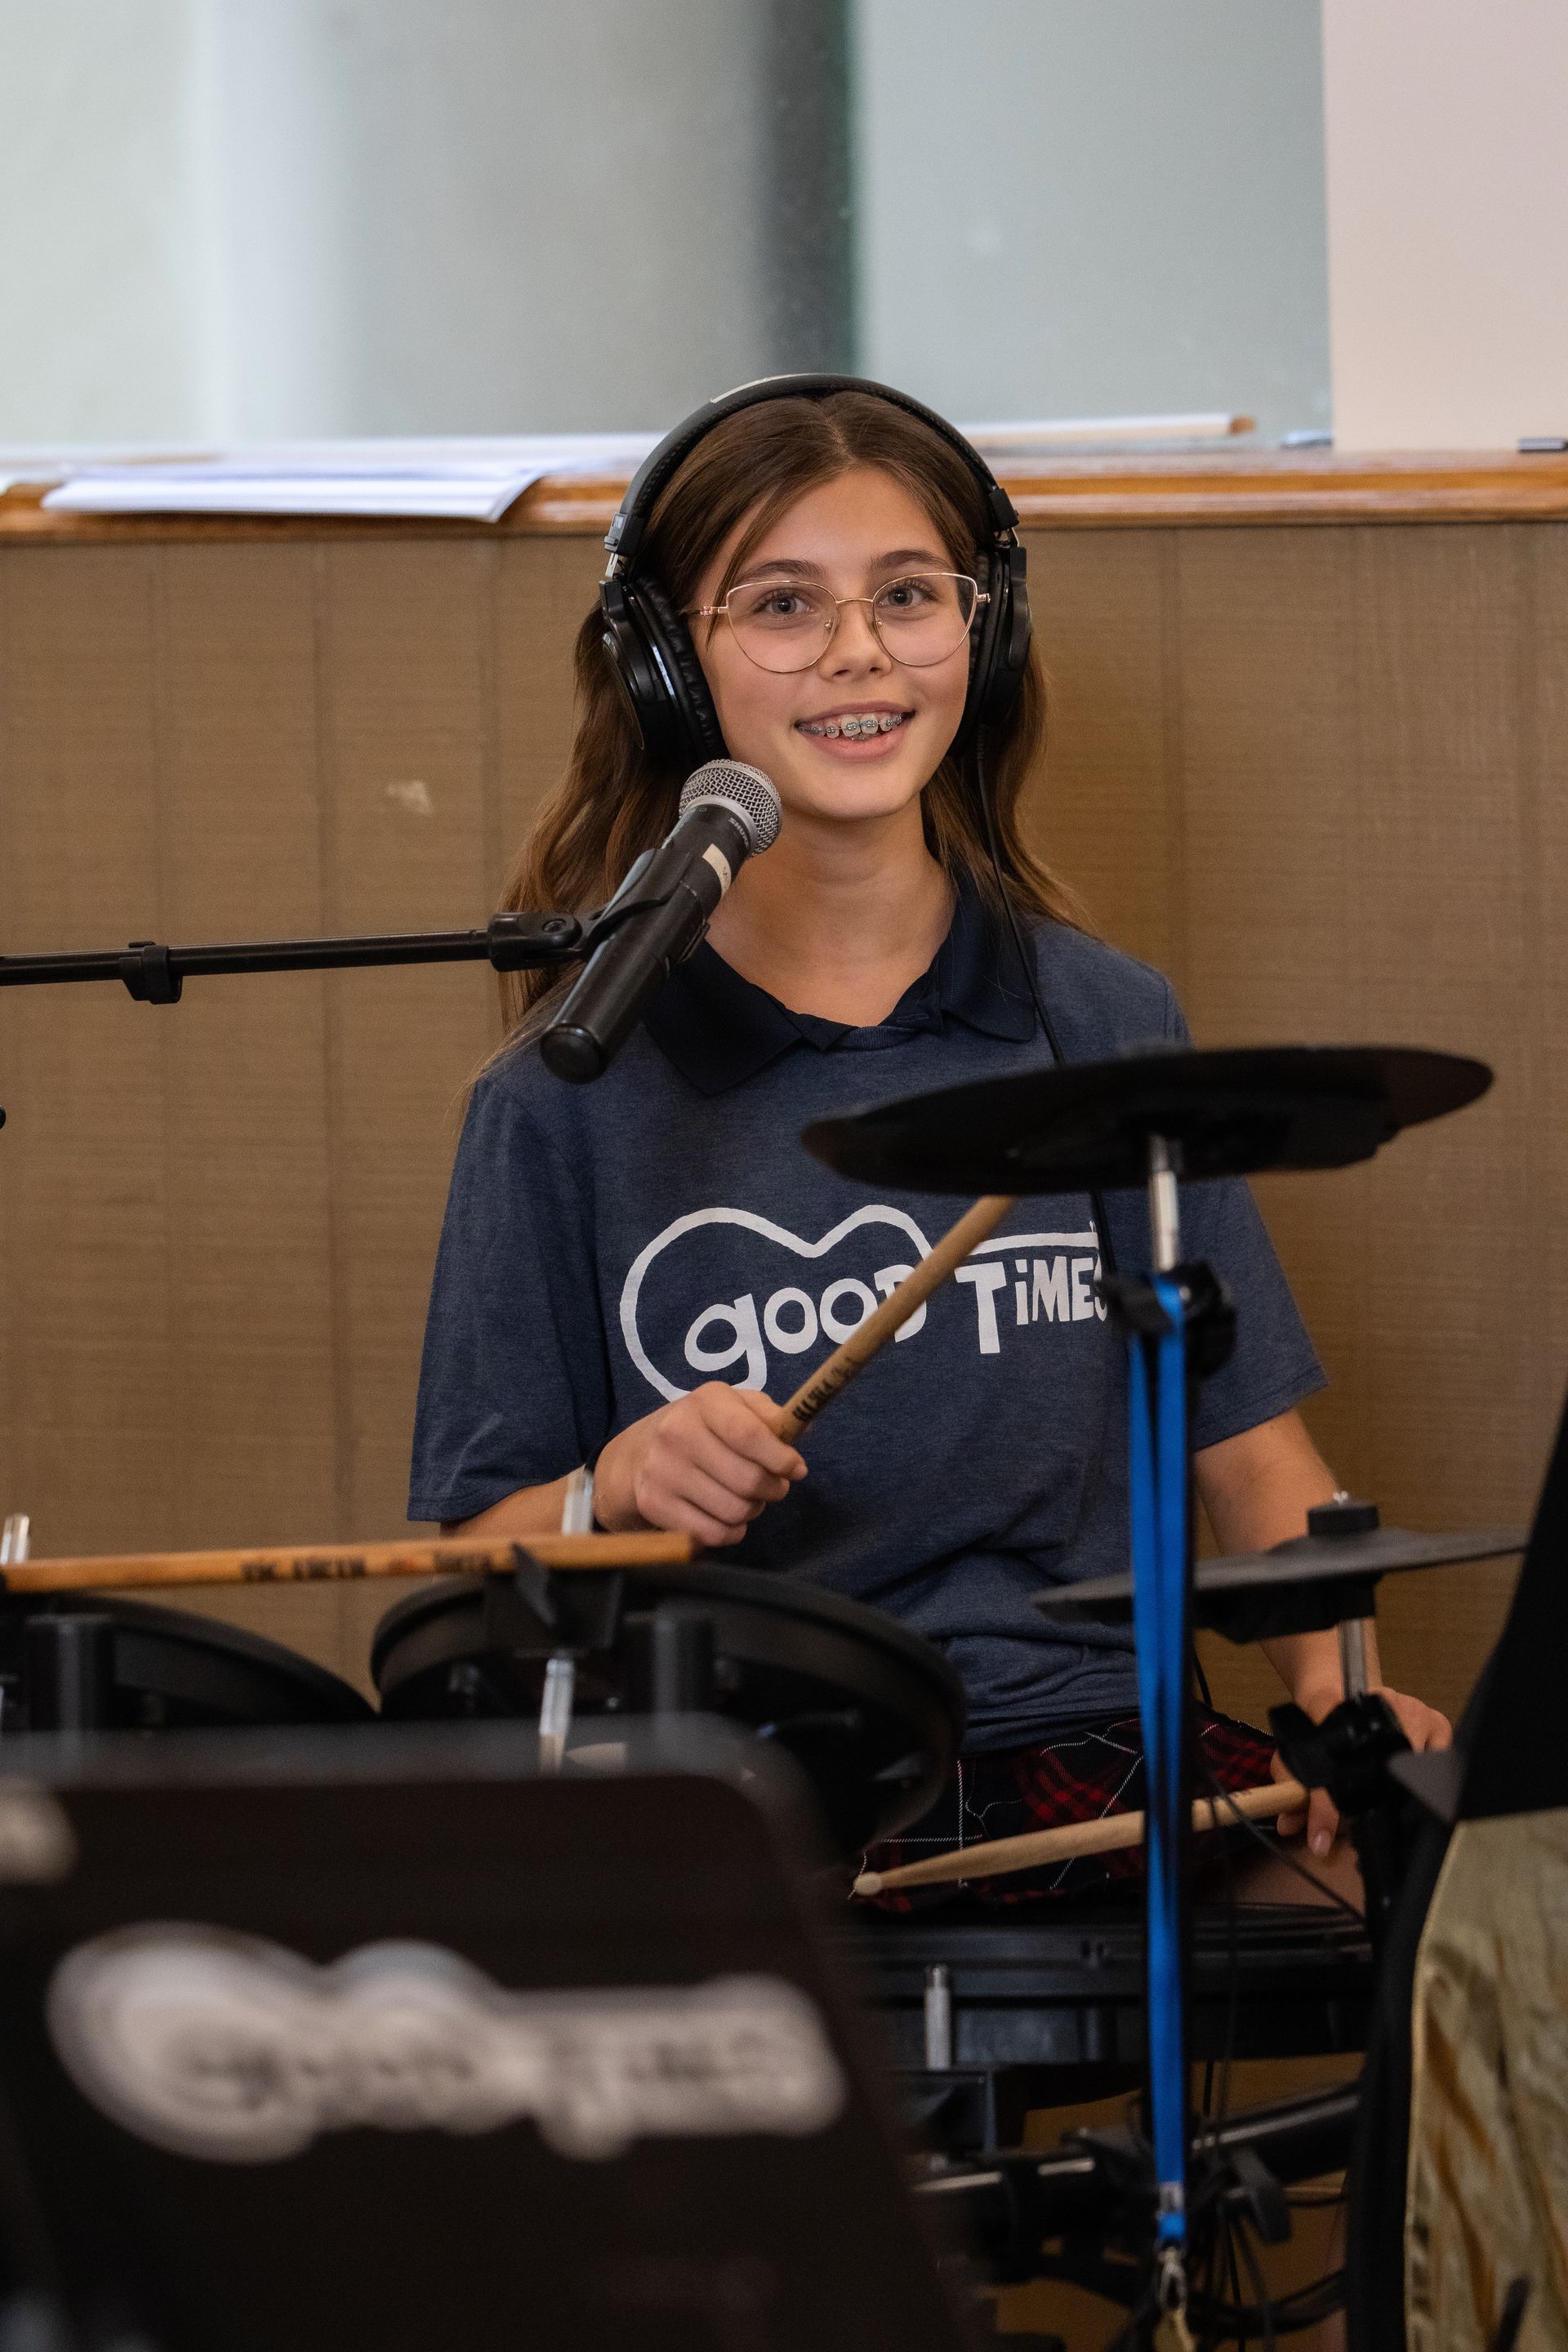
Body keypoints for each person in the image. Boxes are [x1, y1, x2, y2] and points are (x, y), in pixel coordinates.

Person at [408, 377, 1448, 1897]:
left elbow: (1248, 1452)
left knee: (1435, 1933)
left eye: (909, 596)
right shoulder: (565, 1094)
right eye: (781, 604)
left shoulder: (1097, 1022)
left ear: (986, 630)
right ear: (665, 669)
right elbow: (463, 1574)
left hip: (1098, 1739)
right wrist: (614, 1489)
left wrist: (1336, 1689)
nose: (860, 654)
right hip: (751, 1778)